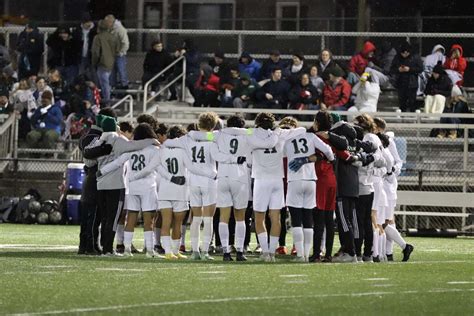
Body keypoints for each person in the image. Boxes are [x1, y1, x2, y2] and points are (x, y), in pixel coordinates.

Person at [84, 114, 158, 256]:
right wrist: (152, 140)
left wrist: (101, 170)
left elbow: (89, 162)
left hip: (101, 184)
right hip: (118, 185)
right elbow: (135, 145)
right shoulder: (120, 141)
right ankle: (108, 249)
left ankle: (105, 246)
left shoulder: (97, 142)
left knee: (104, 218)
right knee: (114, 218)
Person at [283, 117, 334, 262]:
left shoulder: (287, 140)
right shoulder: (311, 136)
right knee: (308, 219)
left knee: (297, 220)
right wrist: (330, 159)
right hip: (311, 180)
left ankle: (300, 255)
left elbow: (283, 154)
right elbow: (328, 150)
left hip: (294, 180)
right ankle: (306, 253)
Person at [373, 117, 414, 262]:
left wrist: (391, 172)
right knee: (387, 221)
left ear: (378, 128)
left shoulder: (387, 141)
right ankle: (388, 254)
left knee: (384, 221)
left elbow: (397, 161)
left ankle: (402, 247)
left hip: (387, 185)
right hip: (383, 184)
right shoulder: (377, 140)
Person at [77, 107, 115, 255]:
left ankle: (86, 245)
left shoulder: (88, 135)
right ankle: (89, 245)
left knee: (92, 215)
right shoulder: (96, 136)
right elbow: (90, 160)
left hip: (91, 178)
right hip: (94, 178)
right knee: (93, 215)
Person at [390, 41, 423, 112]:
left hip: (412, 83)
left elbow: (420, 68)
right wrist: (398, 69)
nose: (405, 55)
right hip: (401, 82)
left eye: (406, 53)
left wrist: (410, 69)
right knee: (402, 103)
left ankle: (412, 117)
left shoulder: (415, 57)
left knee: (412, 103)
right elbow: (392, 69)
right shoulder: (397, 57)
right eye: (403, 53)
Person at [91, 20, 119, 103]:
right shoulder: (113, 37)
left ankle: (107, 101)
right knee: (108, 82)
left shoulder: (98, 37)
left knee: (104, 83)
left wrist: (94, 62)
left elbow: (95, 52)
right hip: (111, 62)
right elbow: (117, 49)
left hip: (102, 63)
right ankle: (108, 98)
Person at [104, 14, 129, 89]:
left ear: (111, 21)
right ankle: (112, 87)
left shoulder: (120, 29)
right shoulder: (107, 29)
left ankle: (124, 86)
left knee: (121, 70)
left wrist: (121, 52)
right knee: (111, 72)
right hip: (111, 54)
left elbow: (125, 42)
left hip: (119, 54)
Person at [72, 13, 97, 79]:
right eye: (86, 22)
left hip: (92, 56)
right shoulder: (78, 30)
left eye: (89, 22)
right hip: (81, 55)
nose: (88, 24)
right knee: (81, 73)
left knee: (94, 73)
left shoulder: (95, 31)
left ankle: (96, 88)